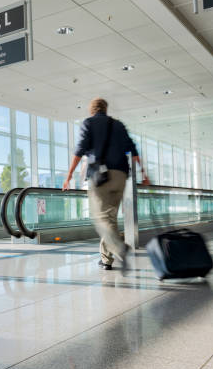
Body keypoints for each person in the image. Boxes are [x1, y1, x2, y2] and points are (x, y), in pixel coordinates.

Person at [63, 97, 149, 271]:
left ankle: (119, 249)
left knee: (99, 217)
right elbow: (132, 149)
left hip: (100, 176)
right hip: (121, 175)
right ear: (106, 109)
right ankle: (106, 260)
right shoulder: (118, 125)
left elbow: (80, 150)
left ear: (92, 110)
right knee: (110, 218)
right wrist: (143, 172)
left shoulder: (89, 123)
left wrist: (70, 174)